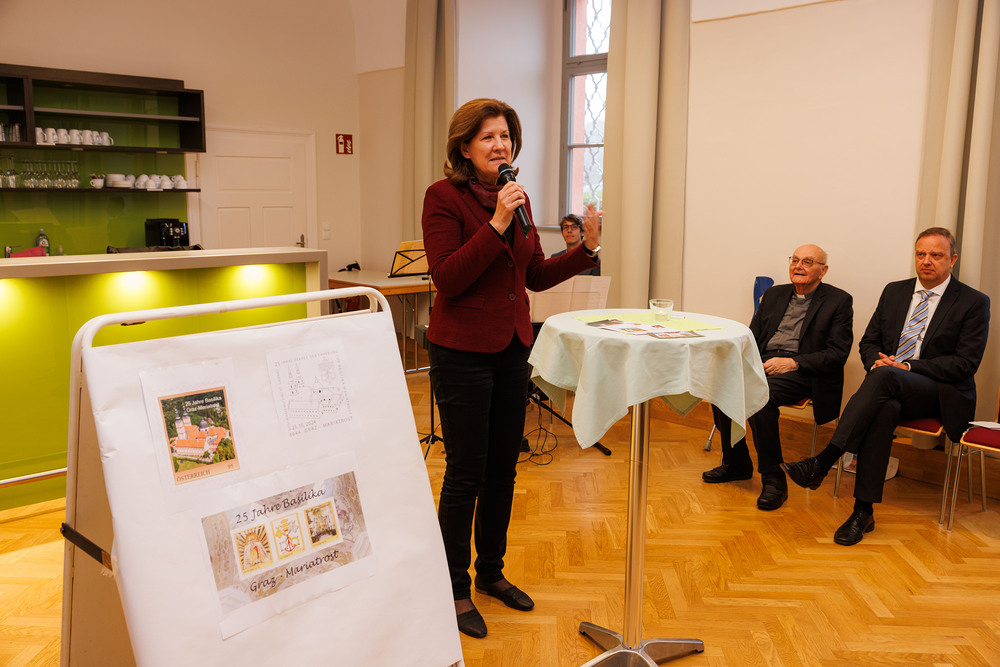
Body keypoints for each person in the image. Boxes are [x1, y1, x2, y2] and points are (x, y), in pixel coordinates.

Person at [421, 98, 601, 638]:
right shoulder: (443, 198)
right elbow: (448, 278)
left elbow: (535, 274)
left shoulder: (516, 196)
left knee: (504, 469)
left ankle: (491, 573)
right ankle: (452, 588)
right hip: (461, 352)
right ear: (464, 147)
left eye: (505, 136)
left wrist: (586, 249)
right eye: (488, 137)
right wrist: (498, 221)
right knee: (466, 473)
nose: (499, 145)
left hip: (512, 348)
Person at [782, 227, 990, 545]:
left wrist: (907, 367)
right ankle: (862, 512)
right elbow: (869, 342)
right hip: (889, 386)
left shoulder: (973, 302)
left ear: (953, 259)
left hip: (939, 391)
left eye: (936, 255)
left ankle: (823, 460)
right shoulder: (895, 291)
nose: (927, 261)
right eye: (921, 254)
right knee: (884, 406)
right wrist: (878, 363)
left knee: (887, 378)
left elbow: (965, 363)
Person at [703, 244, 853, 511]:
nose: (798, 266)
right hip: (765, 362)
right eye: (795, 260)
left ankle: (774, 478)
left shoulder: (839, 301)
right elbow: (752, 336)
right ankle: (737, 464)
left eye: (807, 262)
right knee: (722, 384)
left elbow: (837, 353)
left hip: (803, 370)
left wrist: (793, 362)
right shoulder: (774, 294)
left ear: (823, 270)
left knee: (762, 397)